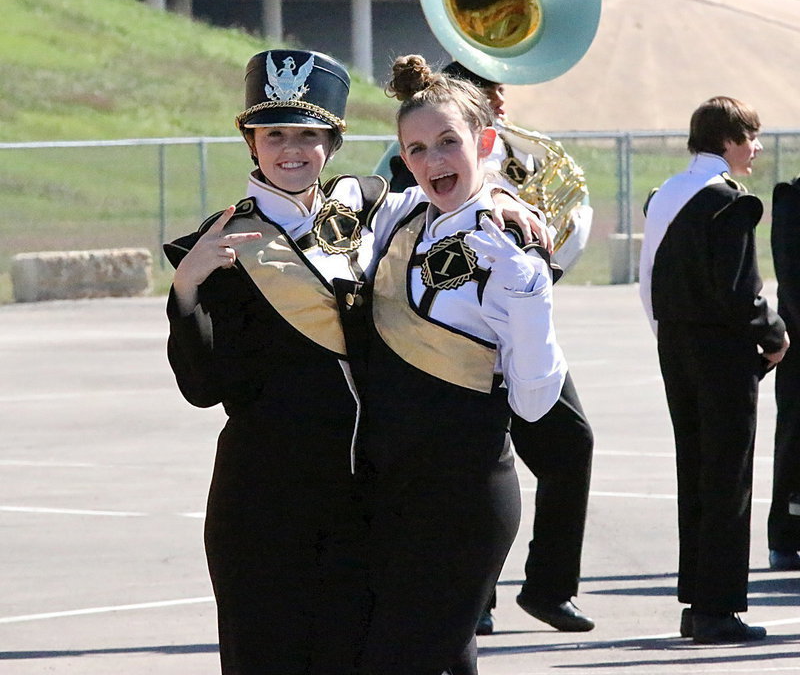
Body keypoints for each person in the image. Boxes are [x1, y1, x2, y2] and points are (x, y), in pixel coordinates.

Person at [163, 48, 546, 675]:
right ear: (250, 143)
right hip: (268, 505)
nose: (292, 150)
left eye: (309, 135)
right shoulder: (221, 242)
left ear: (333, 142)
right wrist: (186, 289)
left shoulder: (366, 204)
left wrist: (503, 197)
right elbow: (204, 389)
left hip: (369, 501)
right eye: (275, 134)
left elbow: (448, 194)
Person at [354, 54, 567, 675]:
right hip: (393, 493)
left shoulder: (510, 250)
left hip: (464, 499)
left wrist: (528, 292)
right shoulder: (400, 216)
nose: (434, 162)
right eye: (416, 149)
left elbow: (534, 402)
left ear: (486, 140)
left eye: (449, 142)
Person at [638, 96, 789, 644]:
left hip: (675, 345)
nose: (757, 147)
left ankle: (696, 602)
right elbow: (742, 292)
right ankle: (717, 611)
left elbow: (647, 279)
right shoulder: (728, 202)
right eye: (751, 137)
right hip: (722, 354)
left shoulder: (665, 195)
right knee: (729, 480)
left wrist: (668, 336)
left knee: (696, 474)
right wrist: (774, 337)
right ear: (728, 140)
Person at [768, 174, 800, 570]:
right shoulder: (791, 198)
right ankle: (785, 537)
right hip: (799, 341)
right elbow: (791, 277)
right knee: (794, 435)